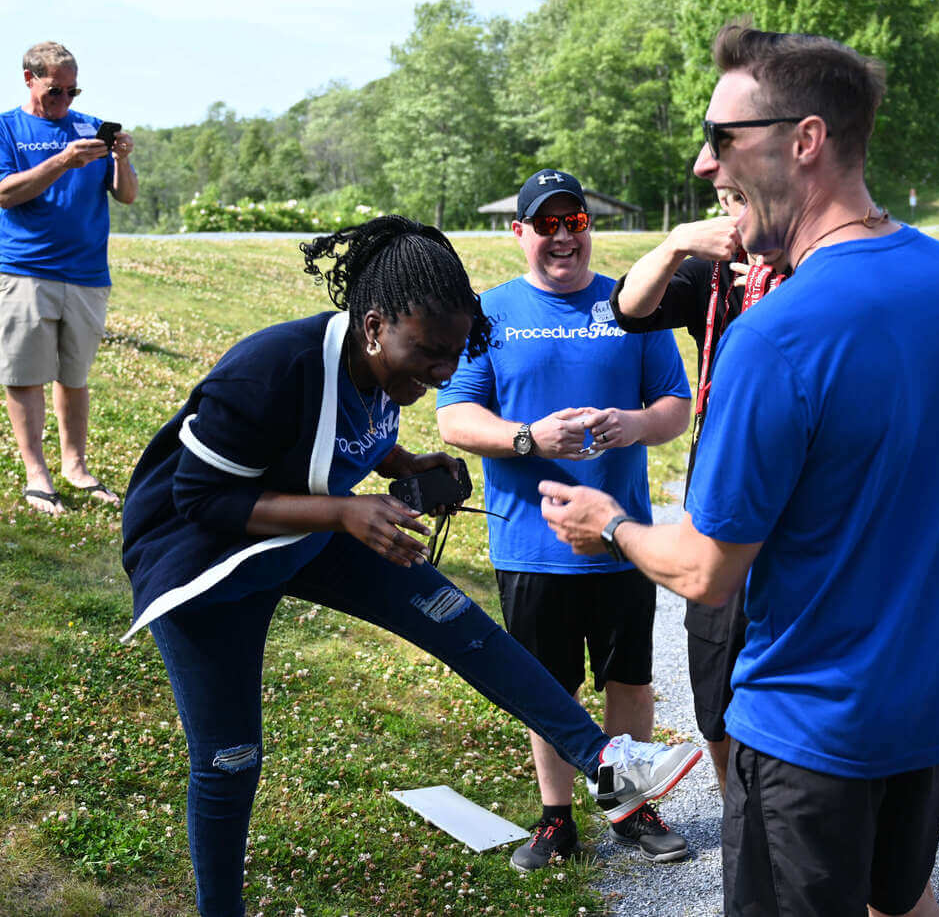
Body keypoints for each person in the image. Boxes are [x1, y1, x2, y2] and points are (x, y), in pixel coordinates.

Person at [537, 24, 939, 917]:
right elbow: (928, 477)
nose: (703, 165)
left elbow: (705, 571)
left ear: (805, 141)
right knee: (903, 899)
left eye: (723, 139)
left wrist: (606, 522)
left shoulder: (779, 335)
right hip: (927, 704)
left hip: (809, 724)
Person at [119, 215, 699, 917]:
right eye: (428, 353)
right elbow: (200, 497)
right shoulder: (270, 368)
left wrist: (405, 464)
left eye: (456, 353)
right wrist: (342, 512)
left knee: (461, 623)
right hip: (203, 562)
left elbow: (348, 432)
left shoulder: (384, 371)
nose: (444, 372)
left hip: (303, 523)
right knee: (230, 761)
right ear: (371, 328)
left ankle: (607, 765)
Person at [435, 170, 693, 873]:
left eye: (572, 223)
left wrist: (631, 422)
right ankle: (556, 819)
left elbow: (675, 402)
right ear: (518, 233)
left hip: (621, 538)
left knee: (629, 682)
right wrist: (528, 439)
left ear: (588, 228)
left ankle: (628, 808)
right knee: (546, 690)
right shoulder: (488, 312)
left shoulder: (630, 305)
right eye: (544, 225)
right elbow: (456, 417)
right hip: (530, 544)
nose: (560, 238)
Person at [610, 184, 780, 796]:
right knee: (713, 661)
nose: (735, 212)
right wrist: (680, 241)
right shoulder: (712, 275)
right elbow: (627, 308)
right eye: (725, 199)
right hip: (719, 493)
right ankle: (736, 808)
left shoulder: (824, 271)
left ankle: (787, 818)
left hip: (800, 510)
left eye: (744, 195)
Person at [0, 41, 137, 514]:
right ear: (28, 79)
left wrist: (120, 158)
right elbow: (3, 194)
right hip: (24, 270)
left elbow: (127, 196)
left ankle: (75, 466)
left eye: (73, 90)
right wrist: (60, 161)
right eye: (56, 90)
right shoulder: (6, 128)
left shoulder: (86, 127)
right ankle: (37, 473)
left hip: (86, 274)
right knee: (25, 374)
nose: (65, 101)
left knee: (73, 375)